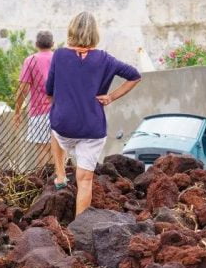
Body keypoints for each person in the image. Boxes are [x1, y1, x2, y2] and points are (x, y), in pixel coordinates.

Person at [46, 11, 141, 216]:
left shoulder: (60, 55)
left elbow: (49, 92)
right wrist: (111, 97)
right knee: (85, 179)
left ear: (71, 30)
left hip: (64, 125)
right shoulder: (105, 59)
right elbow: (135, 76)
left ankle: (60, 174)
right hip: (93, 128)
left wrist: (61, 103)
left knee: (53, 127)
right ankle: (79, 229)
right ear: (95, 33)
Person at [15, 30, 55, 165]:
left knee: (43, 149)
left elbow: (23, 89)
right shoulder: (59, 59)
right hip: (60, 111)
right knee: (59, 149)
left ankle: (46, 183)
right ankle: (61, 181)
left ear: (36, 44)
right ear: (53, 44)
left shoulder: (30, 60)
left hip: (39, 112)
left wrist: (17, 111)